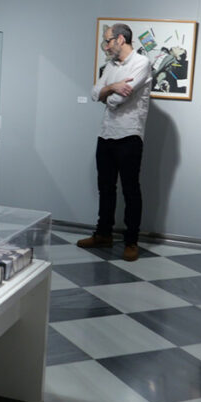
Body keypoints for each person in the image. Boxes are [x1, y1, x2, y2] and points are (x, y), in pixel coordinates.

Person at [76, 23, 151, 262]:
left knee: (131, 190)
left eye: (108, 41)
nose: (106, 45)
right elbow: (94, 93)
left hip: (129, 135)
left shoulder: (141, 63)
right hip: (106, 134)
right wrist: (111, 87)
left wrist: (108, 93)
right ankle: (103, 234)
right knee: (105, 188)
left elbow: (115, 100)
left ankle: (131, 241)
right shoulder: (110, 65)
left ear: (120, 39)